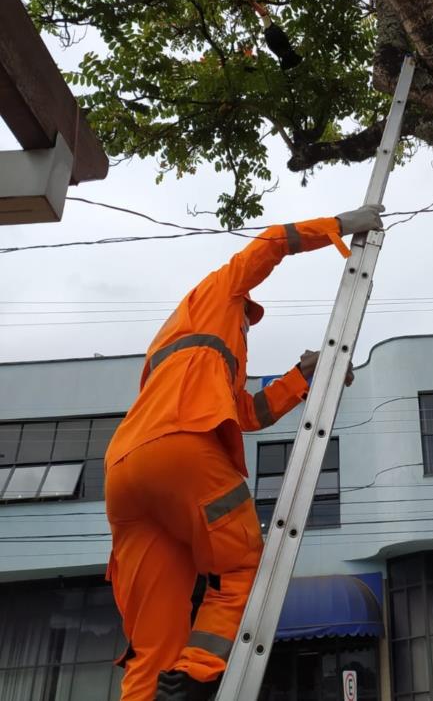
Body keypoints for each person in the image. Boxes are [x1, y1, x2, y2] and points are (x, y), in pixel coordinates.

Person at [104, 204, 384, 701]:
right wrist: (339, 226)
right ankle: (198, 672)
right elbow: (272, 242)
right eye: (248, 320)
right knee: (241, 567)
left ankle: (163, 682)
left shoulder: (177, 348)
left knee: (154, 643)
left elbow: (247, 413)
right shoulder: (218, 293)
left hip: (125, 472)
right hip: (182, 450)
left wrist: (304, 377)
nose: (249, 329)